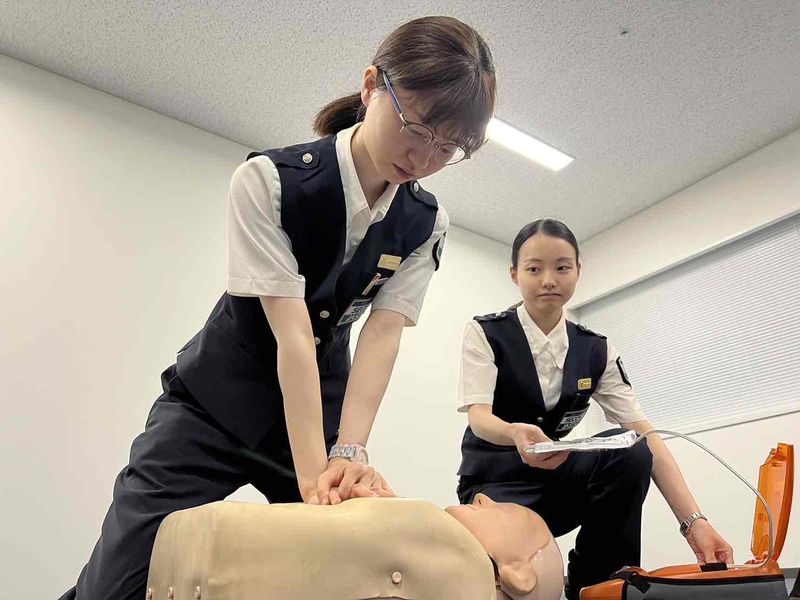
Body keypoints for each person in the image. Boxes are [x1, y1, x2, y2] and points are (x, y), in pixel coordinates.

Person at [60, 15, 496, 600]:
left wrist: (349, 452)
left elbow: (382, 335)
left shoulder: (425, 221)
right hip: (212, 407)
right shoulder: (269, 181)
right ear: (372, 85)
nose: (423, 157)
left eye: (448, 147)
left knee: (344, 572)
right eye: (415, 127)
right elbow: (292, 336)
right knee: (114, 586)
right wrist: (316, 478)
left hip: (317, 415)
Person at [455, 218, 734, 600]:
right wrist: (514, 432)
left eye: (561, 267)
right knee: (514, 581)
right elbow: (479, 418)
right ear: (515, 274)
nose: (548, 280)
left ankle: (598, 584)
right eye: (534, 269)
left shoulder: (596, 349)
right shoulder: (486, 332)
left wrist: (694, 522)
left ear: (578, 271)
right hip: (495, 488)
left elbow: (645, 432)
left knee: (631, 448)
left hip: (555, 484)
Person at [146, 494, 565, 600]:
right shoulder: (426, 534)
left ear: (518, 574)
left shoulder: (463, 568)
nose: (484, 498)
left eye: (506, 511)